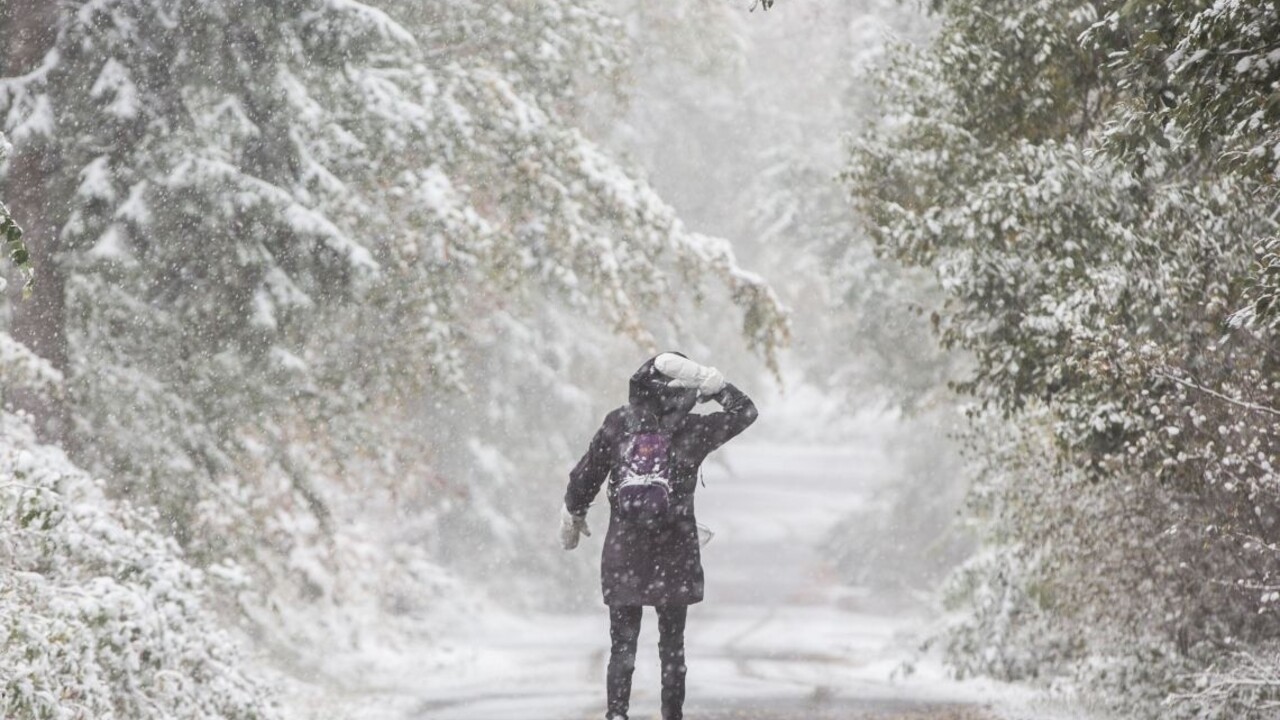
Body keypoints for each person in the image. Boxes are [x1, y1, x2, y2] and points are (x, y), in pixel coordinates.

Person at [559, 352, 759, 720]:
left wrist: (574, 511)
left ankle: (617, 714)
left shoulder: (617, 424)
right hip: (675, 551)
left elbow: (585, 476)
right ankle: (671, 715)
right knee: (672, 648)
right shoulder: (693, 430)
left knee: (622, 646)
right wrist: (715, 385)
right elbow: (745, 412)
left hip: (625, 553)